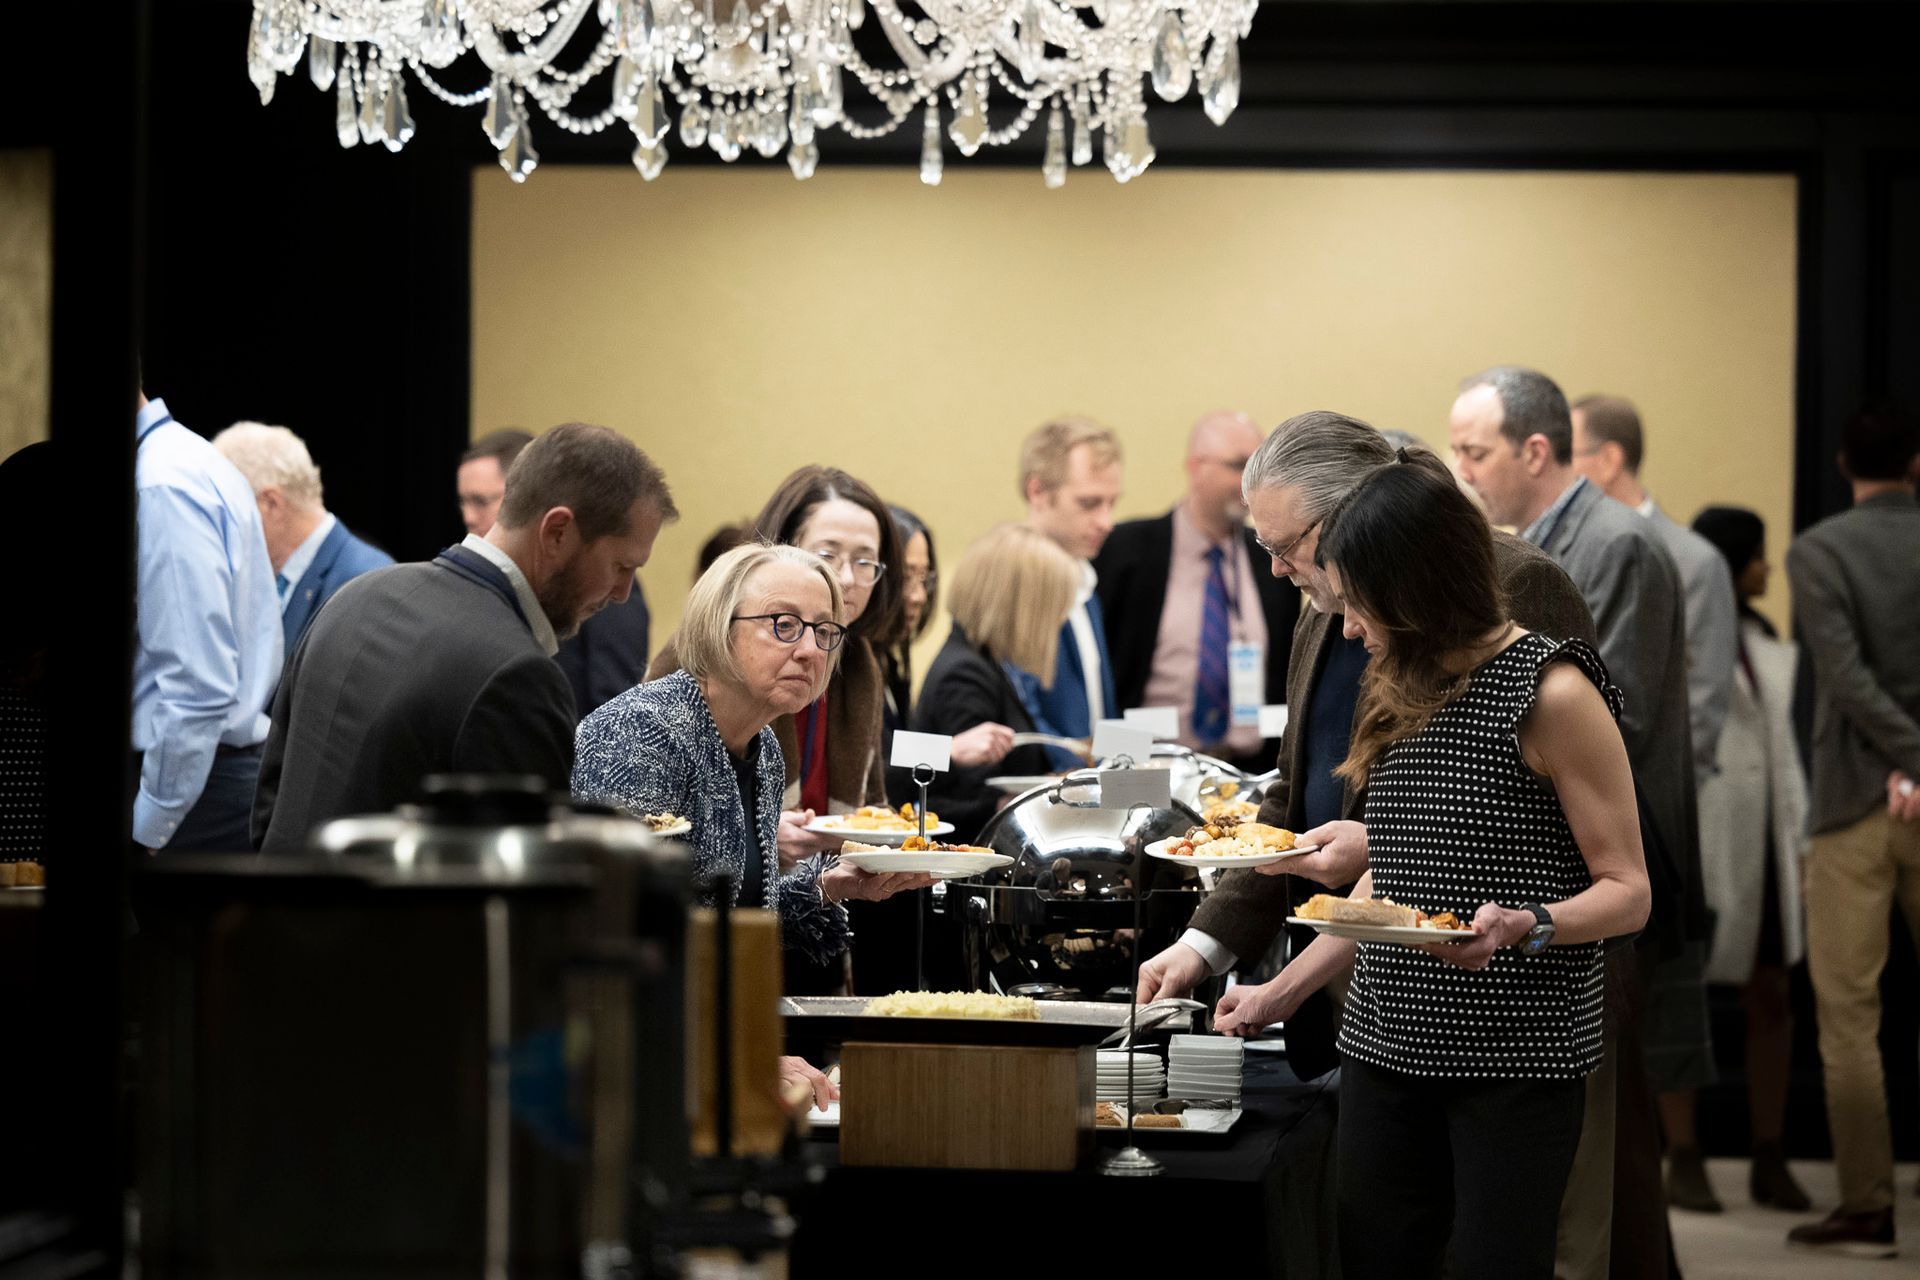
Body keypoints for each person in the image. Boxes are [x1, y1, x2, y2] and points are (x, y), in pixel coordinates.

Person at [1276, 460, 1652, 1279]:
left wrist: (1531, 923)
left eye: (1359, 602)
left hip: (1514, 1055)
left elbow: (1629, 892)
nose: (1346, 628)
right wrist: (1281, 992)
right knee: (1373, 1256)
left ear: (1414, 589)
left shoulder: (1551, 690)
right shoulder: (1395, 679)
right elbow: (1397, 878)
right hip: (1384, 1040)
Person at [1450, 364, 1700, 1279]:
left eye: (1473, 451)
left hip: (1598, 877)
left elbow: (1607, 723)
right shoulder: (1530, 544)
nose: (1460, 469)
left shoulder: (1611, 546)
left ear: (1536, 450)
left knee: (1608, 1150)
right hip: (1561, 881)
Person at [573, 543, 930, 1108]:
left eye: (824, 631)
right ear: (718, 626)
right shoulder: (640, 733)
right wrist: (744, 1053)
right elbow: (626, 939)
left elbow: (732, 919)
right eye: (784, 625)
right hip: (625, 1073)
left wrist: (828, 884)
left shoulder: (761, 749)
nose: (810, 650)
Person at [255, 424, 674, 849]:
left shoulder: (354, 596)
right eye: (622, 567)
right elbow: (525, 894)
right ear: (557, 532)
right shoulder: (518, 676)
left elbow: (270, 797)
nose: (622, 594)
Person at [1569, 392, 1739, 1211]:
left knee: (1650, 1034)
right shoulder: (1576, 542)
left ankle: (1690, 1160)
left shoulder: (1675, 554)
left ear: (1603, 460)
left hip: (1651, 817)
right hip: (1607, 812)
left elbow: (1692, 707)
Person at [1783, 402, 1920, 1258]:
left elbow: (1845, 676)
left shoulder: (1819, 551)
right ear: (1915, 463)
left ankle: (1868, 1207)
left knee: (1849, 1020)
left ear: (1841, 464)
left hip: (1851, 804)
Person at [1689, 505, 1812, 1213]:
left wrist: (1800, 846)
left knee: (1772, 991)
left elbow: (1784, 752)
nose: (1769, 568)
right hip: (1708, 835)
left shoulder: (1768, 642)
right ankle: (1685, 1156)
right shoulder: (1690, 633)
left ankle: (1770, 1150)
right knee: (1686, 995)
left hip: (1763, 839)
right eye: (1759, 556)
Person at [1095, 411, 1300, 771]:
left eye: (1259, 471)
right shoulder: (1126, 552)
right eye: (1239, 466)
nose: (1248, 485)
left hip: (1249, 773)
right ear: (1195, 467)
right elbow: (1103, 681)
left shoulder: (1275, 561)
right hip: (1147, 769)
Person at [133, 392, 282, 853]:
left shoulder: (159, 483)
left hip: (187, 795)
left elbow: (198, 686)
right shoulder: (194, 459)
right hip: (208, 778)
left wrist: (147, 827)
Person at [460, 428, 654, 718]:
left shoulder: (600, 578)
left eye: (480, 501)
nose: (468, 517)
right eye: (463, 501)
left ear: (523, 494)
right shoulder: (480, 581)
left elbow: (615, 702)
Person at [911, 524, 1078, 839]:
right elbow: (967, 799)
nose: (1059, 621)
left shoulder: (984, 663)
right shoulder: (965, 674)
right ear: (1020, 607)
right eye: (1052, 608)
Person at [213, 421, 393, 652]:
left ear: (271, 504)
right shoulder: (266, 579)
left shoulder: (368, 583)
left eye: (225, 509)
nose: (218, 525)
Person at [1016, 417, 1123, 769]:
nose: (1106, 522)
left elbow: (1096, 715)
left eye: (1112, 503)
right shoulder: (1014, 586)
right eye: (1089, 503)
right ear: (1038, 493)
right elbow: (1023, 715)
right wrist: (1083, 773)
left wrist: (1132, 760)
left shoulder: (1086, 580)